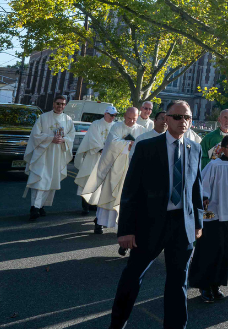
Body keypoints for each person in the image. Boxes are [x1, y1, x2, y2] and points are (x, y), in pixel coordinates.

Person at [107, 100, 203, 329]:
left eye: (187, 117)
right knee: (132, 277)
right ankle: (117, 324)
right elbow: (131, 190)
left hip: (182, 225)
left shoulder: (194, 149)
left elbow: (196, 188)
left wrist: (198, 222)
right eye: (177, 117)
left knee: (179, 282)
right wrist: (126, 230)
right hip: (150, 225)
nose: (183, 122)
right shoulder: (147, 147)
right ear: (166, 119)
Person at [188, 135, 228, 302]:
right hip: (212, 214)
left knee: (224, 251)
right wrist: (204, 197)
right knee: (209, 250)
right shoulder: (214, 165)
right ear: (223, 148)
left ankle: (216, 285)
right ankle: (204, 285)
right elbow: (203, 185)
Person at [84, 106, 149, 234]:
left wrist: (133, 146)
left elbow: (144, 146)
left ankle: (122, 226)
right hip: (114, 166)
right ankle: (99, 222)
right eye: (129, 118)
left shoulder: (141, 130)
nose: (131, 121)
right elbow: (111, 143)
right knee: (108, 194)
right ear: (124, 116)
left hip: (131, 168)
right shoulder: (117, 127)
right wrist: (128, 144)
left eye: (134, 119)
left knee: (125, 198)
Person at [22, 94, 76, 221]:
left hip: (57, 155)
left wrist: (63, 140)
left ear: (65, 105)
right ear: (53, 104)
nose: (60, 106)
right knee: (40, 179)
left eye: (63, 104)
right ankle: (34, 207)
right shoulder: (43, 117)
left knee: (51, 181)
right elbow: (35, 135)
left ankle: (41, 206)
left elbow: (71, 136)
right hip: (43, 154)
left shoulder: (68, 120)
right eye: (58, 103)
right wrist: (51, 138)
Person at [74, 105, 116, 215]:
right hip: (94, 157)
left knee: (101, 182)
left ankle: (94, 204)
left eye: (115, 115)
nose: (113, 117)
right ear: (105, 114)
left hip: (107, 159)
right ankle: (85, 206)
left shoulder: (115, 126)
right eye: (111, 115)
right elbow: (92, 138)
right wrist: (101, 149)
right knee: (88, 181)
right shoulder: (96, 124)